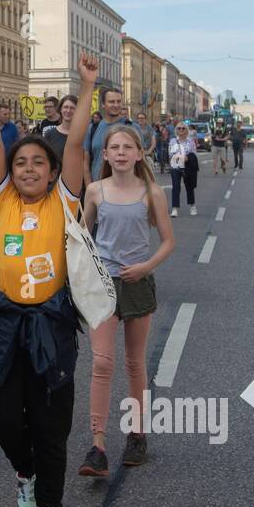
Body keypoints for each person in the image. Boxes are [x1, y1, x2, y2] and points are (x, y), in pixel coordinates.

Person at [0, 50, 93, 507]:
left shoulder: (63, 200)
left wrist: (85, 90)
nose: (26, 169)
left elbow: (78, 142)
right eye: (20, 162)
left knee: (50, 424)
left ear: (51, 172)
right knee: (5, 417)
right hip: (6, 320)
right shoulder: (1, 200)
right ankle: (25, 475)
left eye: (36, 163)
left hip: (52, 322)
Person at [79, 126, 175, 478]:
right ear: (104, 155)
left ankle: (137, 434)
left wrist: (146, 266)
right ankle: (98, 444)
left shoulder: (152, 192)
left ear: (139, 154)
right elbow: (82, 238)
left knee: (135, 362)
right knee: (102, 362)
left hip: (137, 283)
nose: (120, 152)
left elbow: (168, 241)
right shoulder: (94, 191)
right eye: (114, 147)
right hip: (102, 286)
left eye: (127, 147)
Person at [83, 87, 128, 185]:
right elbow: (85, 163)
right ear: (103, 104)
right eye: (111, 102)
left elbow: (141, 162)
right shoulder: (92, 129)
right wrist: (89, 188)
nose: (116, 105)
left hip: (126, 189)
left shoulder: (131, 127)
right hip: (98, 187)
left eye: (119, 101)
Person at [167, 123, 199, 218]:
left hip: (187, 166)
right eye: (179, 128)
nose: (181, 130)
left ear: (186, 130)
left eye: (183, 128)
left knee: (189, 187)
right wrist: (177, 158)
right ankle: (175, 208)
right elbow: (170, 154)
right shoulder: (173, 141)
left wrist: (187, 158)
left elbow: (194, 153)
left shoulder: (190, 141)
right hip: (175, 166)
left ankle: (192, 206)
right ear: (176, 130)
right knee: (176, 187)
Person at [41, 95, 78, 161]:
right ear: (60, 109)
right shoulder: (50, 134)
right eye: (65, 107)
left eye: (72, 108)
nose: (68, 110)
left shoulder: (83, 134)